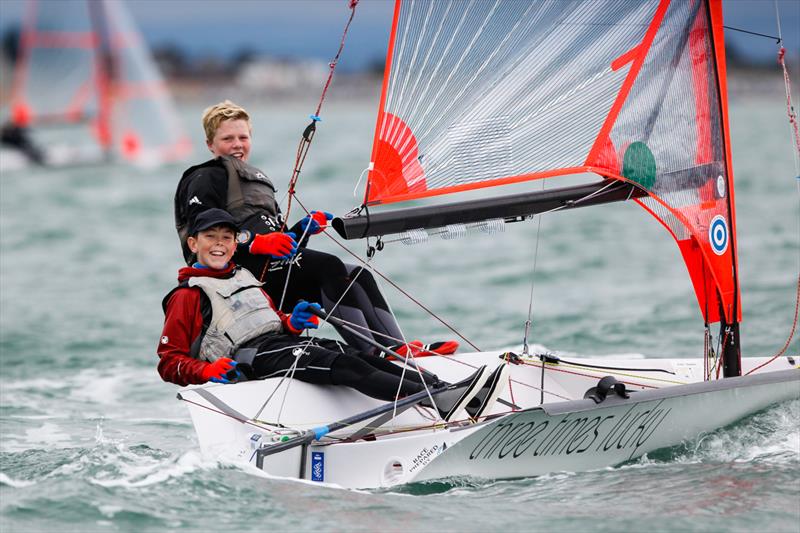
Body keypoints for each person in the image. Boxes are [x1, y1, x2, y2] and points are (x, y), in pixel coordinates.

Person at [157, 208, 508, 422]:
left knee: (362, 355)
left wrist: (290, 321)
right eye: (210, 237)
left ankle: (448, 392)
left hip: (280, 343)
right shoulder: (187, 296)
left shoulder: (244, 275)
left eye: (226, 237)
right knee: (351, 368)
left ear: (235, 244)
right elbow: (168, 362)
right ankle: (446, 400)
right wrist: (208, 370)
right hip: (257, 360)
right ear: (193, 244)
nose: (219, 244)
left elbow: (271, 315)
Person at [173, 100, 457, 357]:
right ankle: (373, 353)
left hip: (273, 269)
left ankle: (397, 348)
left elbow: (284, 243)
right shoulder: (203, 178)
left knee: (358, 274)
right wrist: (255, 244)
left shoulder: (256, 180)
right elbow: (203, 234)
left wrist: (301, 231)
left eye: (243, 137)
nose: (237, 144)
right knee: (328, 266)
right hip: (241, 278)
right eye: (227, 138)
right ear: (211, 144)